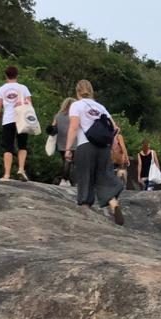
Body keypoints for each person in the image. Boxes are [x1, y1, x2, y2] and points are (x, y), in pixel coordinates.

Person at [64, 80, 124, 224]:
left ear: (77, 91)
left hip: (85, 145)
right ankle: (113, 203)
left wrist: (68, 148)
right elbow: (115, 128)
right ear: (91, 91)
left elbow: (74, 127)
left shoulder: (76, 105)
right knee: (104, 176)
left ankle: (85, 209)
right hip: (103, 147)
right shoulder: (100, 107)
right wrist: (112, 145)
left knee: (85, 176)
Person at [0, 65, 32, 181]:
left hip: (8, 120)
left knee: (8, 147)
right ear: (17, 75)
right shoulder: (23, 88)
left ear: (6, 76)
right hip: (21, 119)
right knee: (22, 145)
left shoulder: (2, 89)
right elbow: (29, 104)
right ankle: (21, 169)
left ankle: (7, 174)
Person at [52, 98, 76, 186]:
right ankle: (65, 179)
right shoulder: (74, 116)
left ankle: (66, 179)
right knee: (69, 161)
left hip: (61, 141)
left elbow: (53, 127)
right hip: (73, 141)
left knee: (65, 160)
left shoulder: (57, 116)